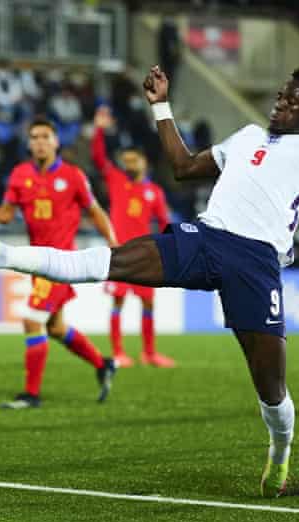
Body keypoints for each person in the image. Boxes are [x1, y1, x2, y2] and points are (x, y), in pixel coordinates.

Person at [0, 52, 299, 497]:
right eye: (280, 95)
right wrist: (161, 106)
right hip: (205, 239)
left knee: (271, 389)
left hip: (256, 261)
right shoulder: (245, 137)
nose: (280, 102)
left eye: (291, 100)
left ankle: (280, 451)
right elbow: (184, 167)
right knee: (107, 261)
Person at [0, 117, 119, 409]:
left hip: (63, 263)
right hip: (36, 262)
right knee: (54, 327)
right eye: (35, 137)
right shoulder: (19, 175)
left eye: (45, 136)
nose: (40, 141)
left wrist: (113, 243)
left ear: (56, 142)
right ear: (29, 143)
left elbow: (95, 211)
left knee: (31, 320)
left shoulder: (73, 176)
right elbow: (5, 215)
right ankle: (102, 364)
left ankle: (31, 395)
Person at [91, 105, 173, 368]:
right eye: (125, 161)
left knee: (149, 302)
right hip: (120, 252)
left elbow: (164, 223)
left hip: (146, 254)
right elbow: (98, 158)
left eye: (133, 160)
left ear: (143, 162)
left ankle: (149, 353)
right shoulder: (116, 180)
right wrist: (99, 132)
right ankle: (118, 352)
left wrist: (165, 248)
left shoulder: (155, 192)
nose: (128, 164)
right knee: (118, 301)